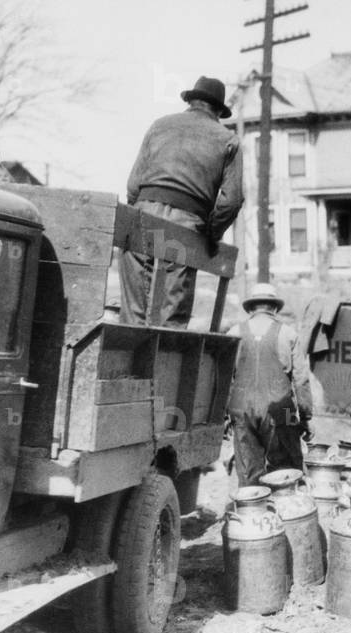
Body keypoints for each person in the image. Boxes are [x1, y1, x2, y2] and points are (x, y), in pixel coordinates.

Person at [121, 75, 243, 327]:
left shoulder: (159, 125)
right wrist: (210, 233)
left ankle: (128, 360)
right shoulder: (228, 139)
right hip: (185, 224)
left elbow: (133, 185)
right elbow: (231, 201)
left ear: (191, 101)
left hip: (143, 214)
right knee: (172, 316)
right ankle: (167, 362)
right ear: (218, 110)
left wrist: (139, 212)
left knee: (133, 312)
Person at [226, 283, 313, 486]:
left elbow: (222, 378)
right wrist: (306, 417)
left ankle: (251, 513)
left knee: (248, 474)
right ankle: (288, 513)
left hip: (241, 409)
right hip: (281, 410)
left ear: (251, 308)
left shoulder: (233, 333)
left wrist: (224, 416)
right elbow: (301, 380)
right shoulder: (288, 334)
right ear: (274, 308)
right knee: (287, 472)